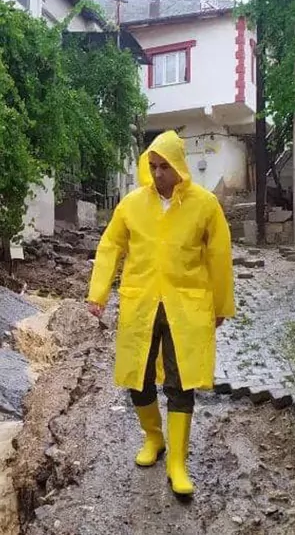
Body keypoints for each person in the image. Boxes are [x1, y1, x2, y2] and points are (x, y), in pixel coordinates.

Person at [86, 130, 235, 498]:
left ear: (179, 167)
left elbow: (219, 255)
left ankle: (178, 464)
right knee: (137, 377)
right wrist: (98, 293)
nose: (157, 174)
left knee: (181, 381)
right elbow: (111, 245)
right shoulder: (132, 204)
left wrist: (219, 305)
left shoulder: (205, 205)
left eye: (163, 167)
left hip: (187, 305)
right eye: (152, 167)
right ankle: (154, 438)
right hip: (141, 303)